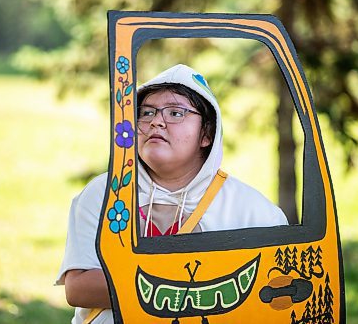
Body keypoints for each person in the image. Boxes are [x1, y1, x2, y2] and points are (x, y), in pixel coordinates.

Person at [56, 64, 288, 323]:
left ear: (207, 134)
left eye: (176, 113)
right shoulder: (104, 194)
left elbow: (271, 293)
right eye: (146, 113)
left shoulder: (252, 211)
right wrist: (203, 284)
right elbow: (79, 289)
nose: (156, 121)